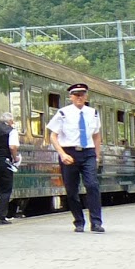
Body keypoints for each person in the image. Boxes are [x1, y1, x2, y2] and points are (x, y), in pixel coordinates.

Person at [47, 83, 104, 233]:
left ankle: (96, 222)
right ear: (71, 97)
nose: (79, 97)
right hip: (69, 152)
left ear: (86, 96)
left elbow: (96, 135)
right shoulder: (63, 113)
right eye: (76, 95)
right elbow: (53, 136)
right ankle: (79, 221)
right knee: (72, 190)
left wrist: (97, 155)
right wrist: (62, 153)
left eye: (82, 94)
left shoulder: (93, 113)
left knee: (92, 185)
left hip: (88, 152)